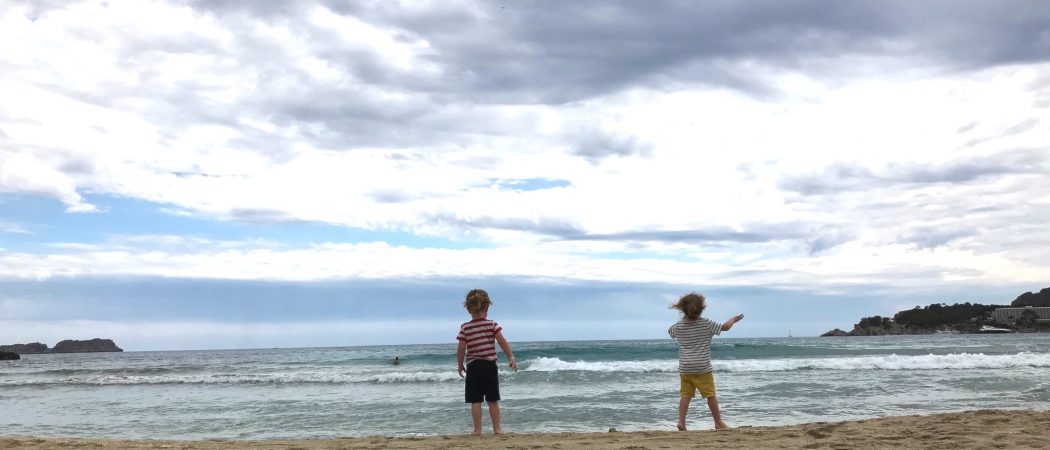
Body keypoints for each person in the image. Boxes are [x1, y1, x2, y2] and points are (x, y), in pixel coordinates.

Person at [668, 292, 744, 431]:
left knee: (685, 395)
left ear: (683, 309)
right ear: (701, 309)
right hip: (702, 368)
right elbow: (725, 327)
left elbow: (670, 332)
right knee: (710, 395)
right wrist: (733, 319)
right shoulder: (707, 324)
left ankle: (681, 422)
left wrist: (682, 320)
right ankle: (718, 422)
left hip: (685, 368)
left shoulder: (678, 326)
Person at [456, 288, 517, 436]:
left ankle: (477, 430)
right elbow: (502, 341)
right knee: (493, 400)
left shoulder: (465, 327)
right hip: (489, 367)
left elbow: (461, 348)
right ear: (487, 307)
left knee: (475, 401)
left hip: (473, 367)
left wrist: (459, 365)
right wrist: (510, 357)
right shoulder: (491, 324)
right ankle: (497, 429)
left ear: (469, 309)